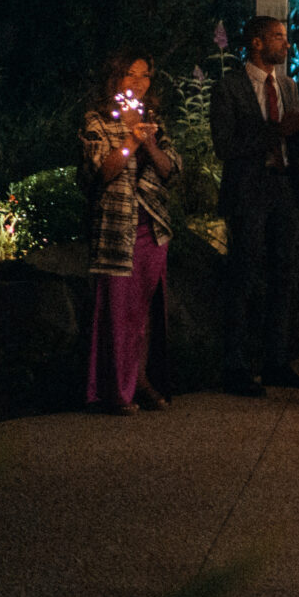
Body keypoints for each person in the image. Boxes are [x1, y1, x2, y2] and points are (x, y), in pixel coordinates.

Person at [209, 15, 299, 396]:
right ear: (256, 43)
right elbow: (225, 146)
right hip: (248, 192)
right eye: (278, 37)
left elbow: (294, 143)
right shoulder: (229, 88)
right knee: (243, 277)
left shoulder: (288, 86)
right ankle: (235, 365)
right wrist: (276, 131)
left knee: (283, 277)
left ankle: (276, 361)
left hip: (283, 189)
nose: (286, 44)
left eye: (285, 38)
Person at [80, 53, 182, 414]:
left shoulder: (155, 122)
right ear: (115, 79)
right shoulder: (97, 122)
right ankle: (112, 390)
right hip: (115, 228)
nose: (137, 82)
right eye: (130, 74)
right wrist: (130, 141)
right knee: (116, 311)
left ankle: (141, 382)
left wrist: (149, 141)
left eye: (144, 76)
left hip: (152, 228)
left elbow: (171, 169)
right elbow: (103, 171)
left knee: (145, 314)